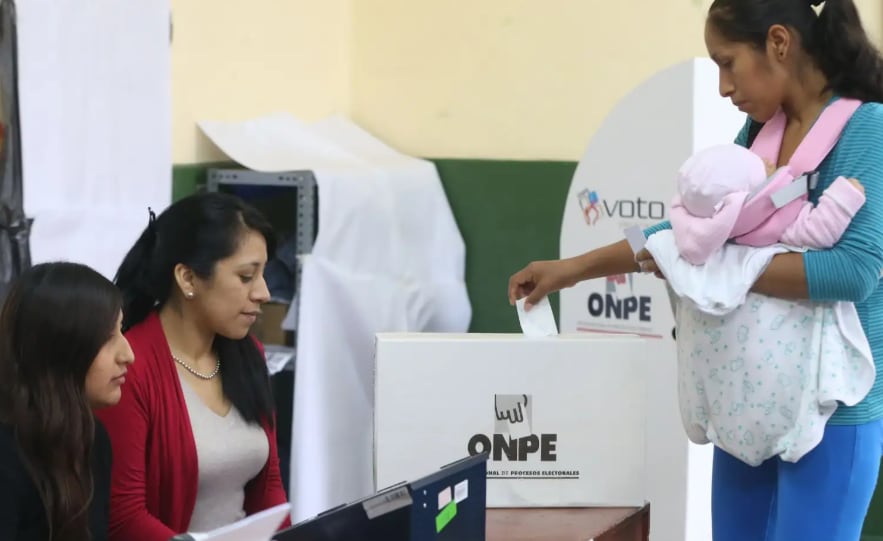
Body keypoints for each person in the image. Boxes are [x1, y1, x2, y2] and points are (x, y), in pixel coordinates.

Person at [509, 1, 883, 540]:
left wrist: (719, 269)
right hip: (746, 400)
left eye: (728, 62)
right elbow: (688, 237)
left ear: (779, 43)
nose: (723, 87)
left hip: (833, 415)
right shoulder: (759, 133)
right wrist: (572, 269)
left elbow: (853, 273)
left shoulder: (867, 128)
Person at [96, 192, 289, 541]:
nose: (262, 292)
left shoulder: (249, 355)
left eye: (264, 275)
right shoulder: (128, 369)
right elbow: (124, 519)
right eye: (246, 277)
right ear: (187, 278)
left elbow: (269, 489)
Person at [0, 262, 135, 541]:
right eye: (107, 338)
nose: (128, 354)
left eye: (122, 330)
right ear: (60, 348)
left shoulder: (93, 437)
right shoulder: (7, 456)